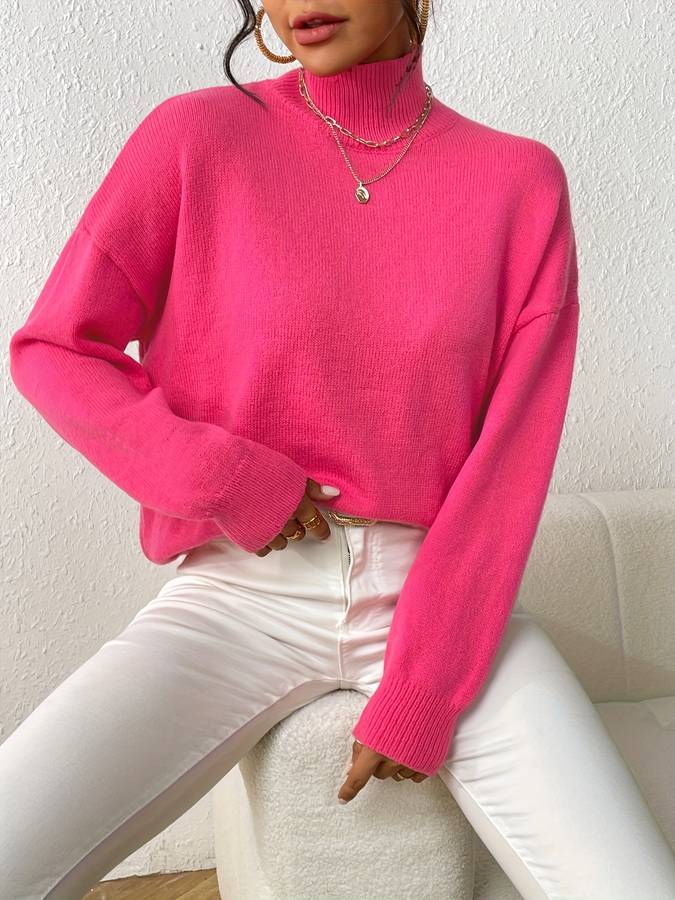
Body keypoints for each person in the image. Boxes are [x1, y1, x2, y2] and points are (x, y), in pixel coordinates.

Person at [4, 1, 675, 897]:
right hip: (240, 597)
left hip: (433, 599)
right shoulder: (197, 139)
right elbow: (55, 349)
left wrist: (424, 688)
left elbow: (511, 459)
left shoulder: (518, 180)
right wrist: (221, 475)